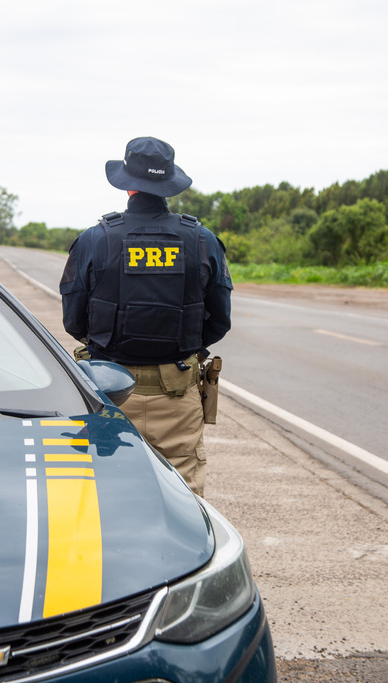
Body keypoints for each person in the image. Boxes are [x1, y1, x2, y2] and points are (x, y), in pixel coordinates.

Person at [60, 137, 232, 497]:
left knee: (105, 497)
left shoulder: (94, 239)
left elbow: (74, 322)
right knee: (184, 501)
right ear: (169, 184)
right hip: (177, 398)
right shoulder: (202, 240)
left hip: (108, 396)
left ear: (128, 184)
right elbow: (219, 321)